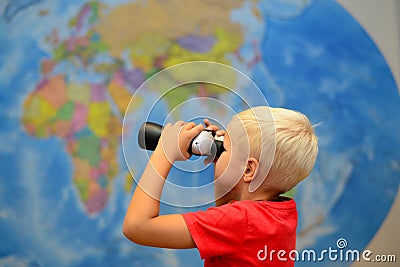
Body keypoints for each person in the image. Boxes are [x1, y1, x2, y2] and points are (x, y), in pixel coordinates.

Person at [123, 106, 318, 266]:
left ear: (249, 170)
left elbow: (137, 227)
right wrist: (225, 163)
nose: (218, 150)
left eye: (223, 148)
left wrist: (164, 152)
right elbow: (229, 214)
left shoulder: (241, 220)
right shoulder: (280, 213)